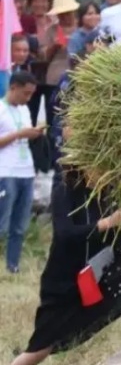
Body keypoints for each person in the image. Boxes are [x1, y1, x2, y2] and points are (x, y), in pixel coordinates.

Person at [11, 165, 121, 365]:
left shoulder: (110, 193)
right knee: (40, 348)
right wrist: (107, 223)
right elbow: (65, 234)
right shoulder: (65, 192)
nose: (102, 173)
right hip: (65, 282)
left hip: (98, 275)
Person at [1, 72, 46, 273]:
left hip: (26, 171)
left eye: (31, 94)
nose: (28, 98)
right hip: (6, 171)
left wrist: (34, 134)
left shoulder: (25, 110)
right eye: (25, 93)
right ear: (13, 88)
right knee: (2, 221)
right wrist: (19, 134)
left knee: (20, 225)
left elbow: (24, 136)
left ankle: (13, 265)